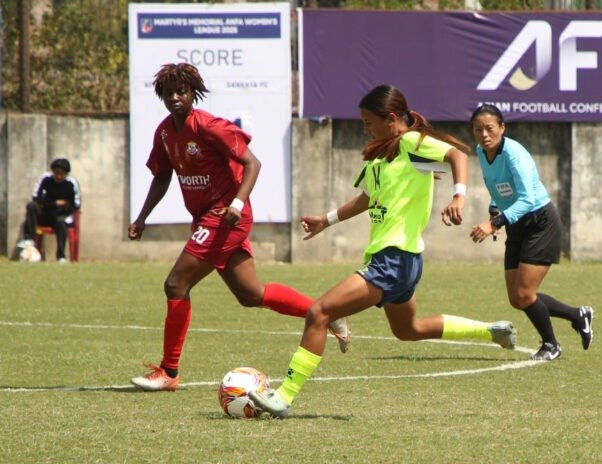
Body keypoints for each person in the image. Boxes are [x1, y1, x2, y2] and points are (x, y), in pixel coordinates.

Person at [250, 85, 517, 418]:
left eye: (368, 122)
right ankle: (491, 330)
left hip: (394, 258)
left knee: (318, 313)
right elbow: (367, 198)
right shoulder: (382, 153)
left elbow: (457, 156)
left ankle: (284, 396)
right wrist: (326, 220)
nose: (365, 129)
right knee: (408, 330)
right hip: (399, 261)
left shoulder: (411, 143)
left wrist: (459, 196)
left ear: (391, 119)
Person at [128, 63, 351, 392]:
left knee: (175, 284)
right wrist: (142, 216)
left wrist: (236, 203)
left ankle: (168, 371)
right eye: (169, 93)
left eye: (182, 91)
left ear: (193, 93)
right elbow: (162, 176)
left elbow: (252, 163)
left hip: (225, 216)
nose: (175, 97)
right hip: (207, 218)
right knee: (250, 295)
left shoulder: (208, 126)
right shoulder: (164, 133)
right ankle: (325, 313)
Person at [468, 103, 594, 362]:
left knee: (525, 294)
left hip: (539, 222)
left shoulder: (515, 154)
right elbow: (496, 186)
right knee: (517, 298)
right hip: (516, 224)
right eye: (478, 129)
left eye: (490, 128)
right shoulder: (481, 151)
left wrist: (496, 223)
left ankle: (551, 345)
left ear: (502, 127)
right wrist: (494, 212)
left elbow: (527, 199)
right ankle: (577, 315)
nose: (484, 134)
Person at [18, 158, 81, 263]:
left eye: (62, 174)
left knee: (61, 222)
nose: (59, 176)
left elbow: (75, 205)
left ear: (66, 174)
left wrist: (59, 207)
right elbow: (36, 198)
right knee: (32, 206)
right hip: (45, 214)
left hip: (60, 216)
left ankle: (61, 256)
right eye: (56, 173)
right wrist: (55, 203)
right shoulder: (45, 179)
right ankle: (28, 239)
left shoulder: (71, 183)